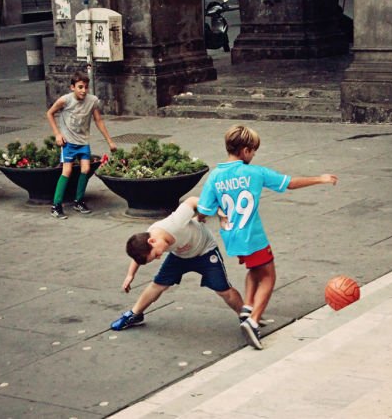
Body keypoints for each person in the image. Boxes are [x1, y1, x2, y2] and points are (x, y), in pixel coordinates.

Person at [197, 125, 338, 350]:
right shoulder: (255, 173)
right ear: (244, 151)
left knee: (254, 270)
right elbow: (289, 183)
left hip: (232, 237)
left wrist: (210, 215)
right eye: (253, 151)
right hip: (254, 237)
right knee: (269, 277)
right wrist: (320, 179)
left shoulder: (215, 176)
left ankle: (247, 308)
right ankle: (252, 323)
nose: (254, 155)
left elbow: (203, 210)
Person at [110, 196, 244, 331]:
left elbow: (192, 200)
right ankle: (135, 314)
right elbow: (138, 253)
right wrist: (130, 275)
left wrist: (216, 211)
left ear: (152, 241)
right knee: (157, 285)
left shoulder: (175, 223)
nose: (158, 258)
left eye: (156, 255)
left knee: (223, 289)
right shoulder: (146, 241)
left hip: (205, 251)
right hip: (180, 256)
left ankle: (246, 317)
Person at [46, 71, 116, 219]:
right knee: (67, 171)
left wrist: (110, 141)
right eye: (80, 87)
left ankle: (79, 201)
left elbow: (98, 121)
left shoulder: (92, 101)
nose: (84, 90)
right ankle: (56, 206)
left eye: (86, 87)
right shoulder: (65, 100)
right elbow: (50, 113)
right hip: (68, 142)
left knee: (86, 169)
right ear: (72, 87)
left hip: (83, 141)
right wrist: (58, 134)